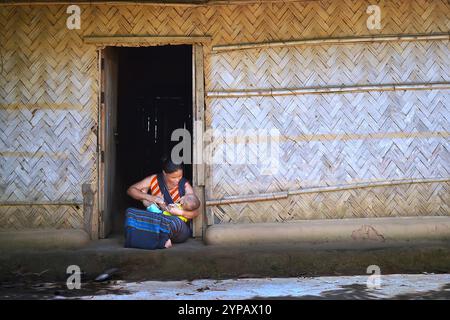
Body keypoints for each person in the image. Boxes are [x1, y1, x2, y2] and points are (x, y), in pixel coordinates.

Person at [125, 158, 200, 249]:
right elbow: (131, 190)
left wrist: (178, 212)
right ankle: (154, 240)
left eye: (180, 176)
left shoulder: (184, 185)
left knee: (172, 221)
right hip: (157, 220)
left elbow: (196, 212)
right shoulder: (154, 180)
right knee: (130, 212)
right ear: (164, 173)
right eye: (173, 177)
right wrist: (151, 197)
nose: (177, 180)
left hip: (178, 227)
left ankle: (155, 238)